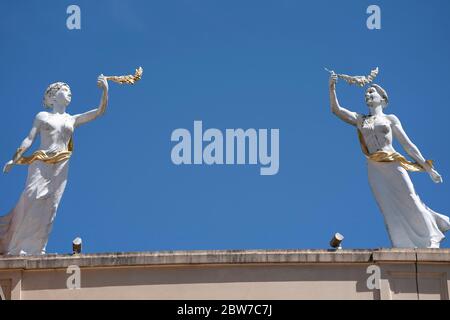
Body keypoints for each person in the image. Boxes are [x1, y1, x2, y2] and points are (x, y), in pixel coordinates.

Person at [329, 72, 450, 248]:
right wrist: (332, 87)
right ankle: (401, 243)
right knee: (388, 208)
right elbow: (336, 110)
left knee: (411, 199)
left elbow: (408, 146)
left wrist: (427, 168)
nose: (368, 95)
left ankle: (432, 237)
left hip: (392, 162)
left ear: (383, 99)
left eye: (372, 92)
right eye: (366, 94)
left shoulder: (390, 119)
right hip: (374, 166)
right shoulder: (360, 119)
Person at [0, 75, 109, 255]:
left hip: (61, 163)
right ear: (52, 96)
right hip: (40, 161)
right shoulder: (42, 116)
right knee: (31, 196)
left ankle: (37, 248)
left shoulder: (71, 119)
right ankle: (12, 243)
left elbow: (99, 112)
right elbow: (29, 138)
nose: (69, 94)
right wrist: (15, 158)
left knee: (51, 205)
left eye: (70, 91)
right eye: (65, 90)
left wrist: (105, 90)